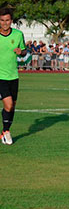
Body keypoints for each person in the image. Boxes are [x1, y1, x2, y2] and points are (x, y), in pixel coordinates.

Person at [0, 8, 27, 145]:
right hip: (0, 77)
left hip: (13, 76)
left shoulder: (18, 34)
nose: (5, 23)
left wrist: (20, 51)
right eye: (2, 20)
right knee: (8, 105)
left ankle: (4, 132)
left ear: (11, 21)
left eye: (7, 20)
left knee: (12, 106)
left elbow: (24, 51)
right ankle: (6, 132)